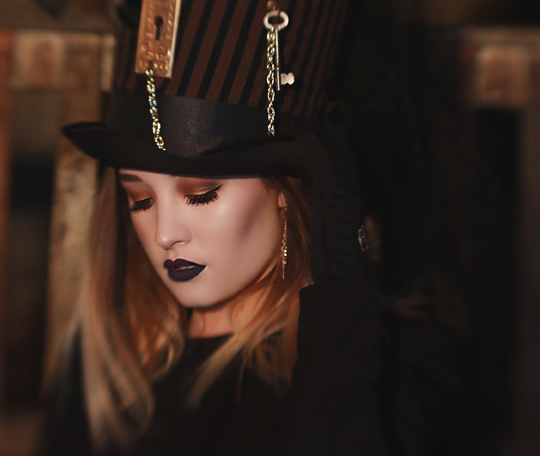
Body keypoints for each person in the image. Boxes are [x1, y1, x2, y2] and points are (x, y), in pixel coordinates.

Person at [38, 1, 459, 455]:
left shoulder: (389, 364)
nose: (164, 234)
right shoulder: (108, 362)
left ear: (286, 190)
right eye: (140, 199)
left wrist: (339, 289)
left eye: (201, 194)